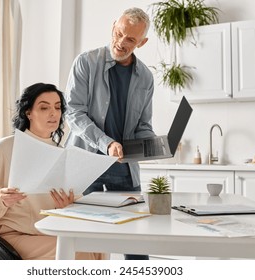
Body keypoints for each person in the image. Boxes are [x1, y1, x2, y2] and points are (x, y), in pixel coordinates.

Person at [0, 83, 103, 260]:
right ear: (28, 113)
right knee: (78, 251)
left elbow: (70, 204)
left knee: (98, 246)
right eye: (44, 107)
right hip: (13, 236)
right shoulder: (5, 148)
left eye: (57, 107)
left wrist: (68, 207)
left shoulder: (63, 154)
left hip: (51, 230)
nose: (53, 113)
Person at [64, 7, 155, 260]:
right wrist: (106, 143)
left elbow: (143, 125)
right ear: (114, 25)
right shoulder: (86, 62)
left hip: (124, 168)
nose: (121, 42)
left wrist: (152, 143)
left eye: (130, 39)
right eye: (119, 33)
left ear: (142, 42)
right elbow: (73, 112)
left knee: (136, 241)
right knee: (81, 238)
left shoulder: (146, 77)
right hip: (86, 163)